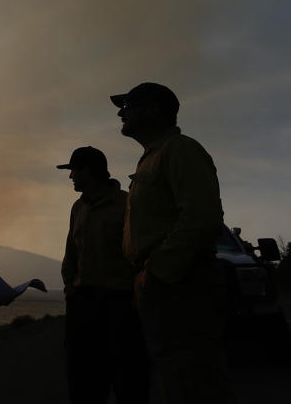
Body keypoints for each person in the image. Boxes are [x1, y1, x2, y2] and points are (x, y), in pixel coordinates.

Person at [112, 82, 234, 403]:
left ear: (153, 110)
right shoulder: (152, 158)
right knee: (173, 376)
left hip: (181, 284)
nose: (121, 113)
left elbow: (202, 218)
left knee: (193, 377)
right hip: (161, 284)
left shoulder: (180, 150)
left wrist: (158, 272)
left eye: (128, 105)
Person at [58, 146, 148, 404]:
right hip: (83, 305)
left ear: (87, 171)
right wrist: (70, 290)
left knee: (129, 381)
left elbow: (139, 254)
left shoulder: (127, 204)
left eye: (73, 170)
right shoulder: (77, 208)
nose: (71, 176)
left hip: (120, 306)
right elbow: (70, 255)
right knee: (83, 383)